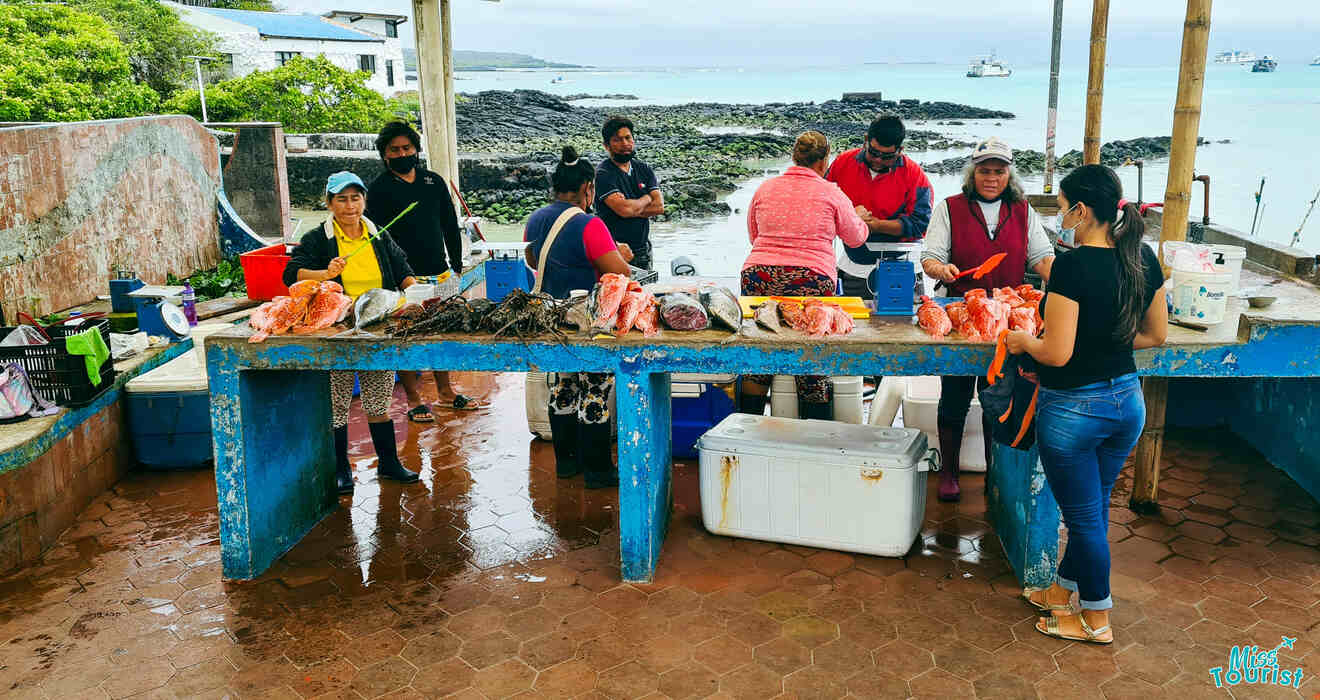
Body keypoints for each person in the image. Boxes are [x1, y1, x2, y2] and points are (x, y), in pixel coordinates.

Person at [1005, 164, 1168, 645]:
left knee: (1084, 519)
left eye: (1061, 206)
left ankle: (1096, 618)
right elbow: (1155, 334)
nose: (1059, 215)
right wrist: (1106, 348)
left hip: (1075, 409)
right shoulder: (1141, 255)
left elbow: (1056, 351)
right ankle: (1061, 591)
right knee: (1091, 506)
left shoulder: (1072, 266)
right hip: (1126, 401)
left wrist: (1021, 341)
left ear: (1081, 209)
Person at [920, 137, 1055, 502]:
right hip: (962, 316)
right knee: (955, 395)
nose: (991, 177)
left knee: (999, 397)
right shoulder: (950, 208)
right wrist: (942, 269)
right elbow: (930, 256)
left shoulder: (1023, 211)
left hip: (1009, 321)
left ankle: (995, 472)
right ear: (972, 172)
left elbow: (1042, 258)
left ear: (1009, 174)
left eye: (999, 171)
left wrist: (1069, 280)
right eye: (984, 170)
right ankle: (949, 471)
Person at [285, 171, 422, 494]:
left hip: (378, 326)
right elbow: (291, 274)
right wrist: (325, 272)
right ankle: (341, 468)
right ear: (329, 203)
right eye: (342, 199)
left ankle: (388, 463)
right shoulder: (319, 238)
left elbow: (403, 271)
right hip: (339, 328)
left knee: (378, 399)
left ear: (364, 200)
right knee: (337, 400)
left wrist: (418, 293)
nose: (350, 206)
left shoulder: (377, 233)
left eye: (355, 197)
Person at [525, 147, 634, 488]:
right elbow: (619, 272)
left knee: (562, 385)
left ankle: (566, 463)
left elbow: (532, 257)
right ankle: (598, 470)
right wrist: (622, 253)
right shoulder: (589, 223)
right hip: (585, 318)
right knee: (596, 389)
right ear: (588, 187)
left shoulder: (535, 218)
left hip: (549, 319)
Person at [740, 131, 868, 420]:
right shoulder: (832, 193)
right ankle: (815, 431)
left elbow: (754, 235)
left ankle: (747, 426)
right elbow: (856, 237)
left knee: (759, 355)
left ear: (794, 156)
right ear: (824, 162)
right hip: (811, 279)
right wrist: (860, 217)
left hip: (759, 275)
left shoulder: (766, 188)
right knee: (811, 355)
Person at [366, 121, 483, 422]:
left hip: (440, 272)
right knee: (404, 336)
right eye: (395, 150)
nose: (403, 153)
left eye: (407, 148)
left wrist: (455, 266)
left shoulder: (433, 181)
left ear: (416, 150)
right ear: (385, 155)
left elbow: (449, 224)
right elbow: (374, 239)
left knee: (440, 331)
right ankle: (414, 399)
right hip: (402, 278)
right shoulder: (377, 189)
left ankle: (446, 392)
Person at [827, 114, 933, 300]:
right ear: (866, 141)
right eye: (874, 153)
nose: (878, 160)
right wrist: (851, 218)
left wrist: (875, 225)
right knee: (851, 326)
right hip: (854, 264)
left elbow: (920, 225)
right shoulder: (842, 164)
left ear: (900, 150)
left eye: (887, 157)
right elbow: (822, 208)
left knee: (902, 327)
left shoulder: (915, 175)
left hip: (902, 265)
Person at [595, 116, 663, 271]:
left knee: (644, 292)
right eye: (617, 140)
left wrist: (631, 207)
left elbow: (659, 207)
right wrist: (646, 197)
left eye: (628, 138)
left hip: (643, 249)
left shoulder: (644, 169)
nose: (625, 144)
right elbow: (625, 210)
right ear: (606, 145)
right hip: (615, 251)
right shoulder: (603, 174)